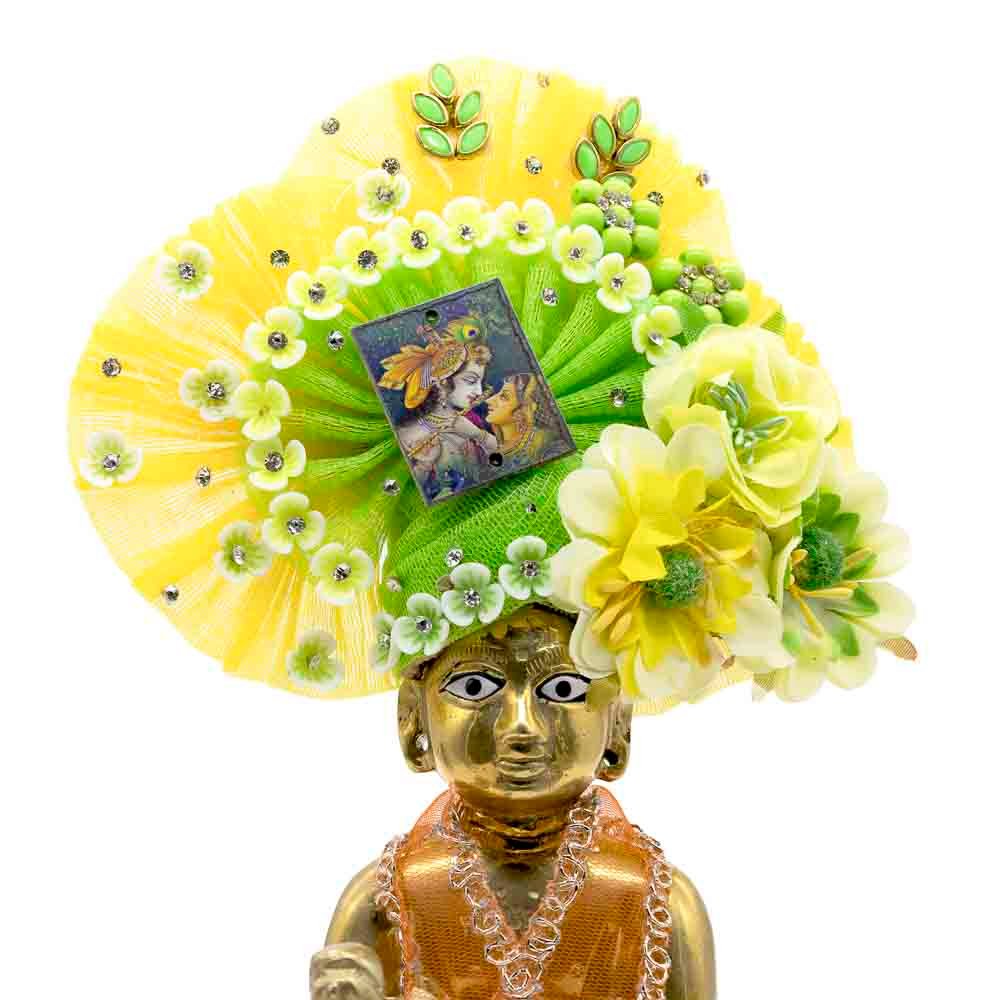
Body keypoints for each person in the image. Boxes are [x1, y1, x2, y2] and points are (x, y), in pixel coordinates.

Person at [312, 608, 715, 1000]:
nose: (521, 726)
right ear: (412, 718)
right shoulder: (384, 900)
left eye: (563, 690)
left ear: (619, 725)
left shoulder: (655, 900)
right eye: (474, 688)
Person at [380, 317, 499, 499]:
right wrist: (425, 464)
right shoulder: (409, 433)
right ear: (442, 383)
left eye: (481, 382)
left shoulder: (472, 420)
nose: (479, 392)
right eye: (471, 381)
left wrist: (478, 435)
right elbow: (407, 491)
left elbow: (503, 463)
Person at [484, 372, 552, 467]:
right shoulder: (500, 441)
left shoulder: (540, 442)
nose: (488, 400)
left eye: (504, 397)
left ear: (526, 407)